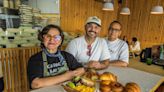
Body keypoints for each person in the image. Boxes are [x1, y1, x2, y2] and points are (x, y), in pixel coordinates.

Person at [27, 25, 85, 89]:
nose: (52, 39)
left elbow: (81, 69)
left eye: (56, 37)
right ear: (42, 39)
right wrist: (65, 77)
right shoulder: (35, 59)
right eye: (48, 36)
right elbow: (36, 84)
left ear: (60, 41)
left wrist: (72, 74)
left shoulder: (66, 56)